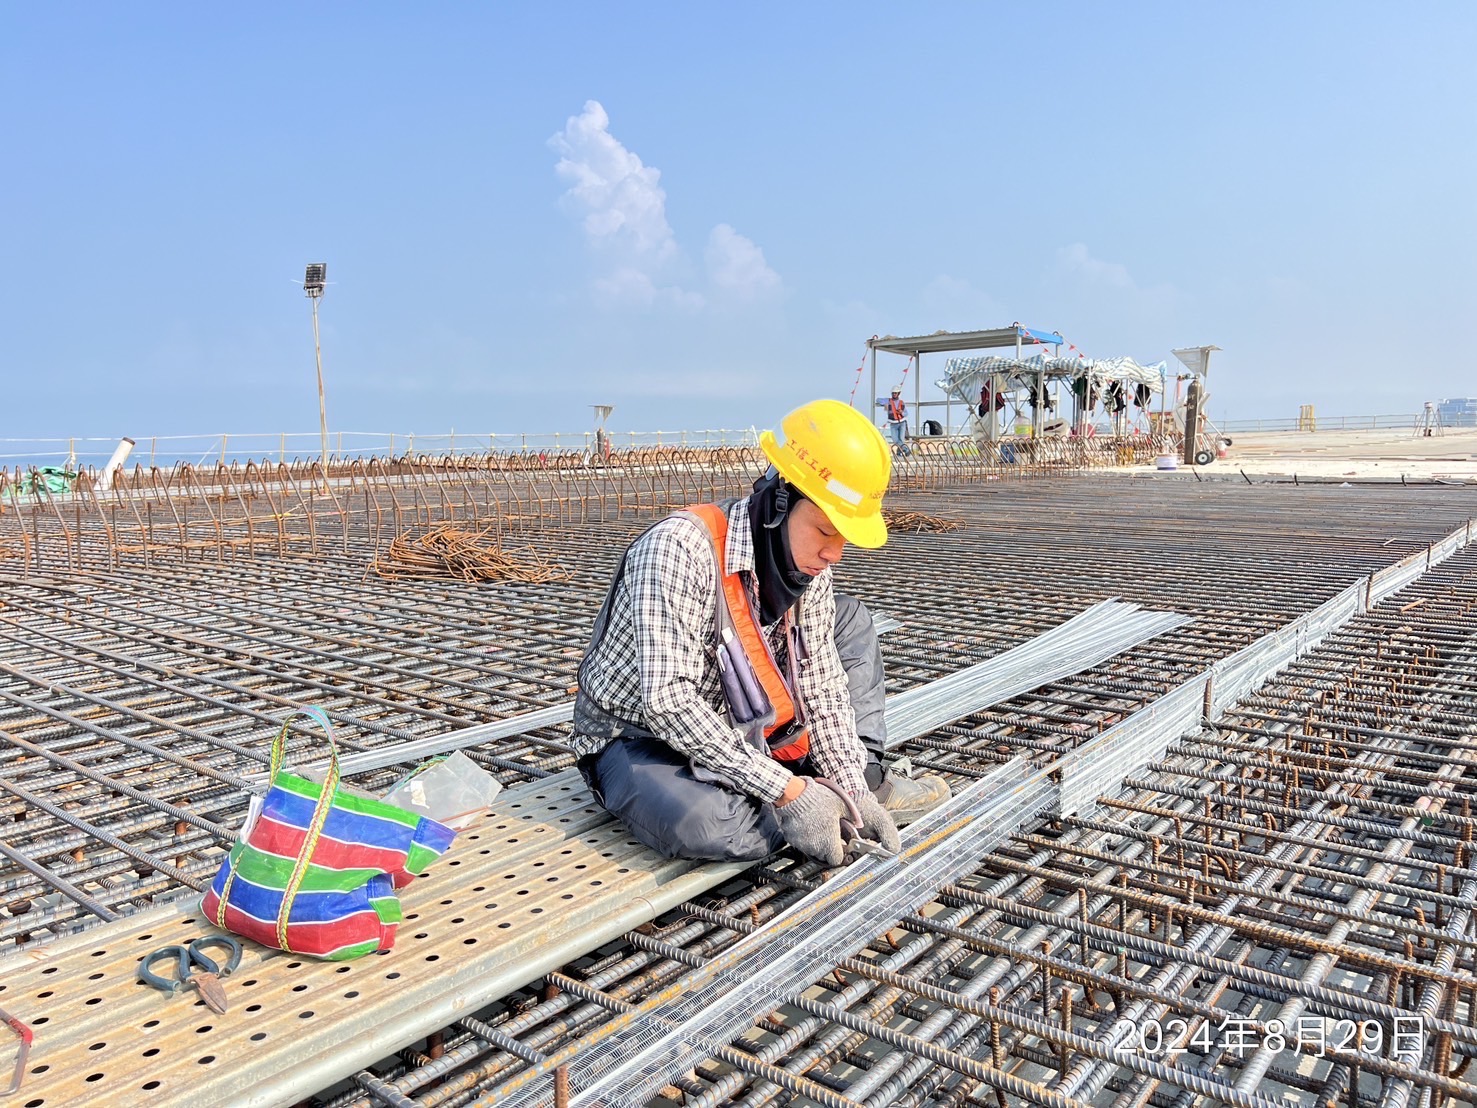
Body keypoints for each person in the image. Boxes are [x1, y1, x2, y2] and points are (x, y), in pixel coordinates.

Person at [571, 399, 951, 866]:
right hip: (641, 735)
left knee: (849, 621)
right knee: (707, 825)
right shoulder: (678, 550)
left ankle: (858, 787)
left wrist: (853, 790)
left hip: (739, 721)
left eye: (843, 538)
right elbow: (669, 703)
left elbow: (821, 683)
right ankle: (804, 803)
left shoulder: (810, 565)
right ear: (778, 502)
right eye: (824, 531)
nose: (834, 553)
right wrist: (789, 792)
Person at [885, 388, 909, 455]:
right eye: (893, 393)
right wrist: (885, 400)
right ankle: (906, 449)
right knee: (895, 439)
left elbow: (906, 413)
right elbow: (878, 400)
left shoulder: (901, 402)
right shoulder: (888, 401)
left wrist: (901, 412)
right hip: (893, 423)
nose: (894, 394)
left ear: (898, 393)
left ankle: (899, 452)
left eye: (895, 393)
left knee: (901, 439)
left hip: (902, 422)